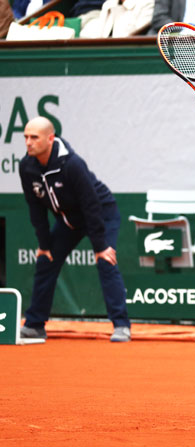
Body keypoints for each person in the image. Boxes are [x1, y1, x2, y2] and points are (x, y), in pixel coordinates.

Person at [19, 117, 131, 343]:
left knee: (105, 260)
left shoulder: (71, 164)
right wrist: (44, 245)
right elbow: (35, 208)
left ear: (50, 138)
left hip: (101, 213)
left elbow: (91, 204)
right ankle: (34, 325)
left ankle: (121, 326)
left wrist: (100, 247)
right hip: (69, 220)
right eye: (26, 137)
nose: (28, 143)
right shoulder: (26, 166)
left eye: (34, 137)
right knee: (46, 260)